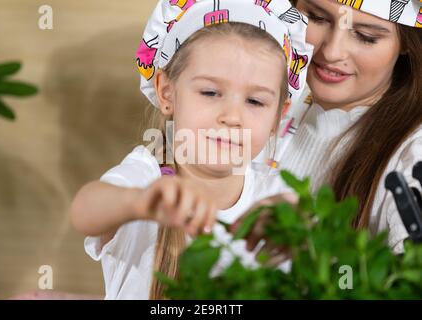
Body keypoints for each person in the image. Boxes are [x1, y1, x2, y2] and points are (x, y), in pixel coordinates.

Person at [70, 0, 313, 300]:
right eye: (210, 92)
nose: (232, 116)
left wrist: (297, 230)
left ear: (278, 114)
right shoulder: (147, 175)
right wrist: (139, 203)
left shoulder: (272, 191)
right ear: (166, 92)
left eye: (255, 102)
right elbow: (85, 211)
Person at [245, 0, 422, 255]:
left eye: (365, 36)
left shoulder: (412, 155)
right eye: (317, 18)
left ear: (406, 42)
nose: (331, 52)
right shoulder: (250, 98)